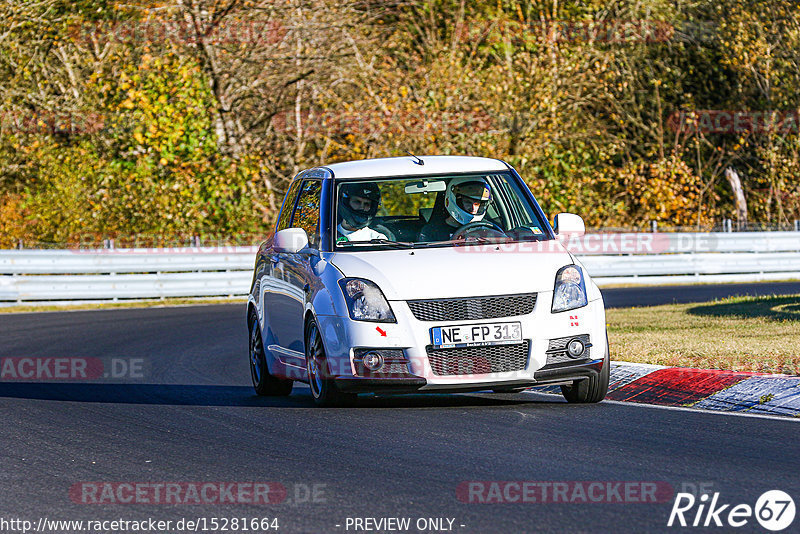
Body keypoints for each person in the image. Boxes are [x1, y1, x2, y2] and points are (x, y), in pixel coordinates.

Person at [419, 176, 493, 242]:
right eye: (468, 202)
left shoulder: (487, 229)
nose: (473, 208)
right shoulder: (431, 232)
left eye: (477, 204)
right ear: (454, 199)